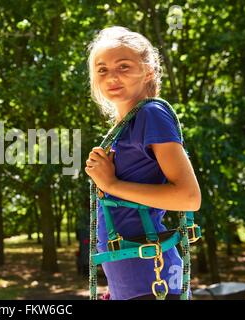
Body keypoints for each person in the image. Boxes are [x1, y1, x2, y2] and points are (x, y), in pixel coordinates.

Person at [84, 26, 201, 300]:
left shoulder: (151, 114)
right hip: (132, 278)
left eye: (123, 66)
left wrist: (110, 183)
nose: (111, 76)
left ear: (148, 70)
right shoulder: (125, 125)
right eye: (102, 69)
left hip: (151, 276)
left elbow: (189, 197)